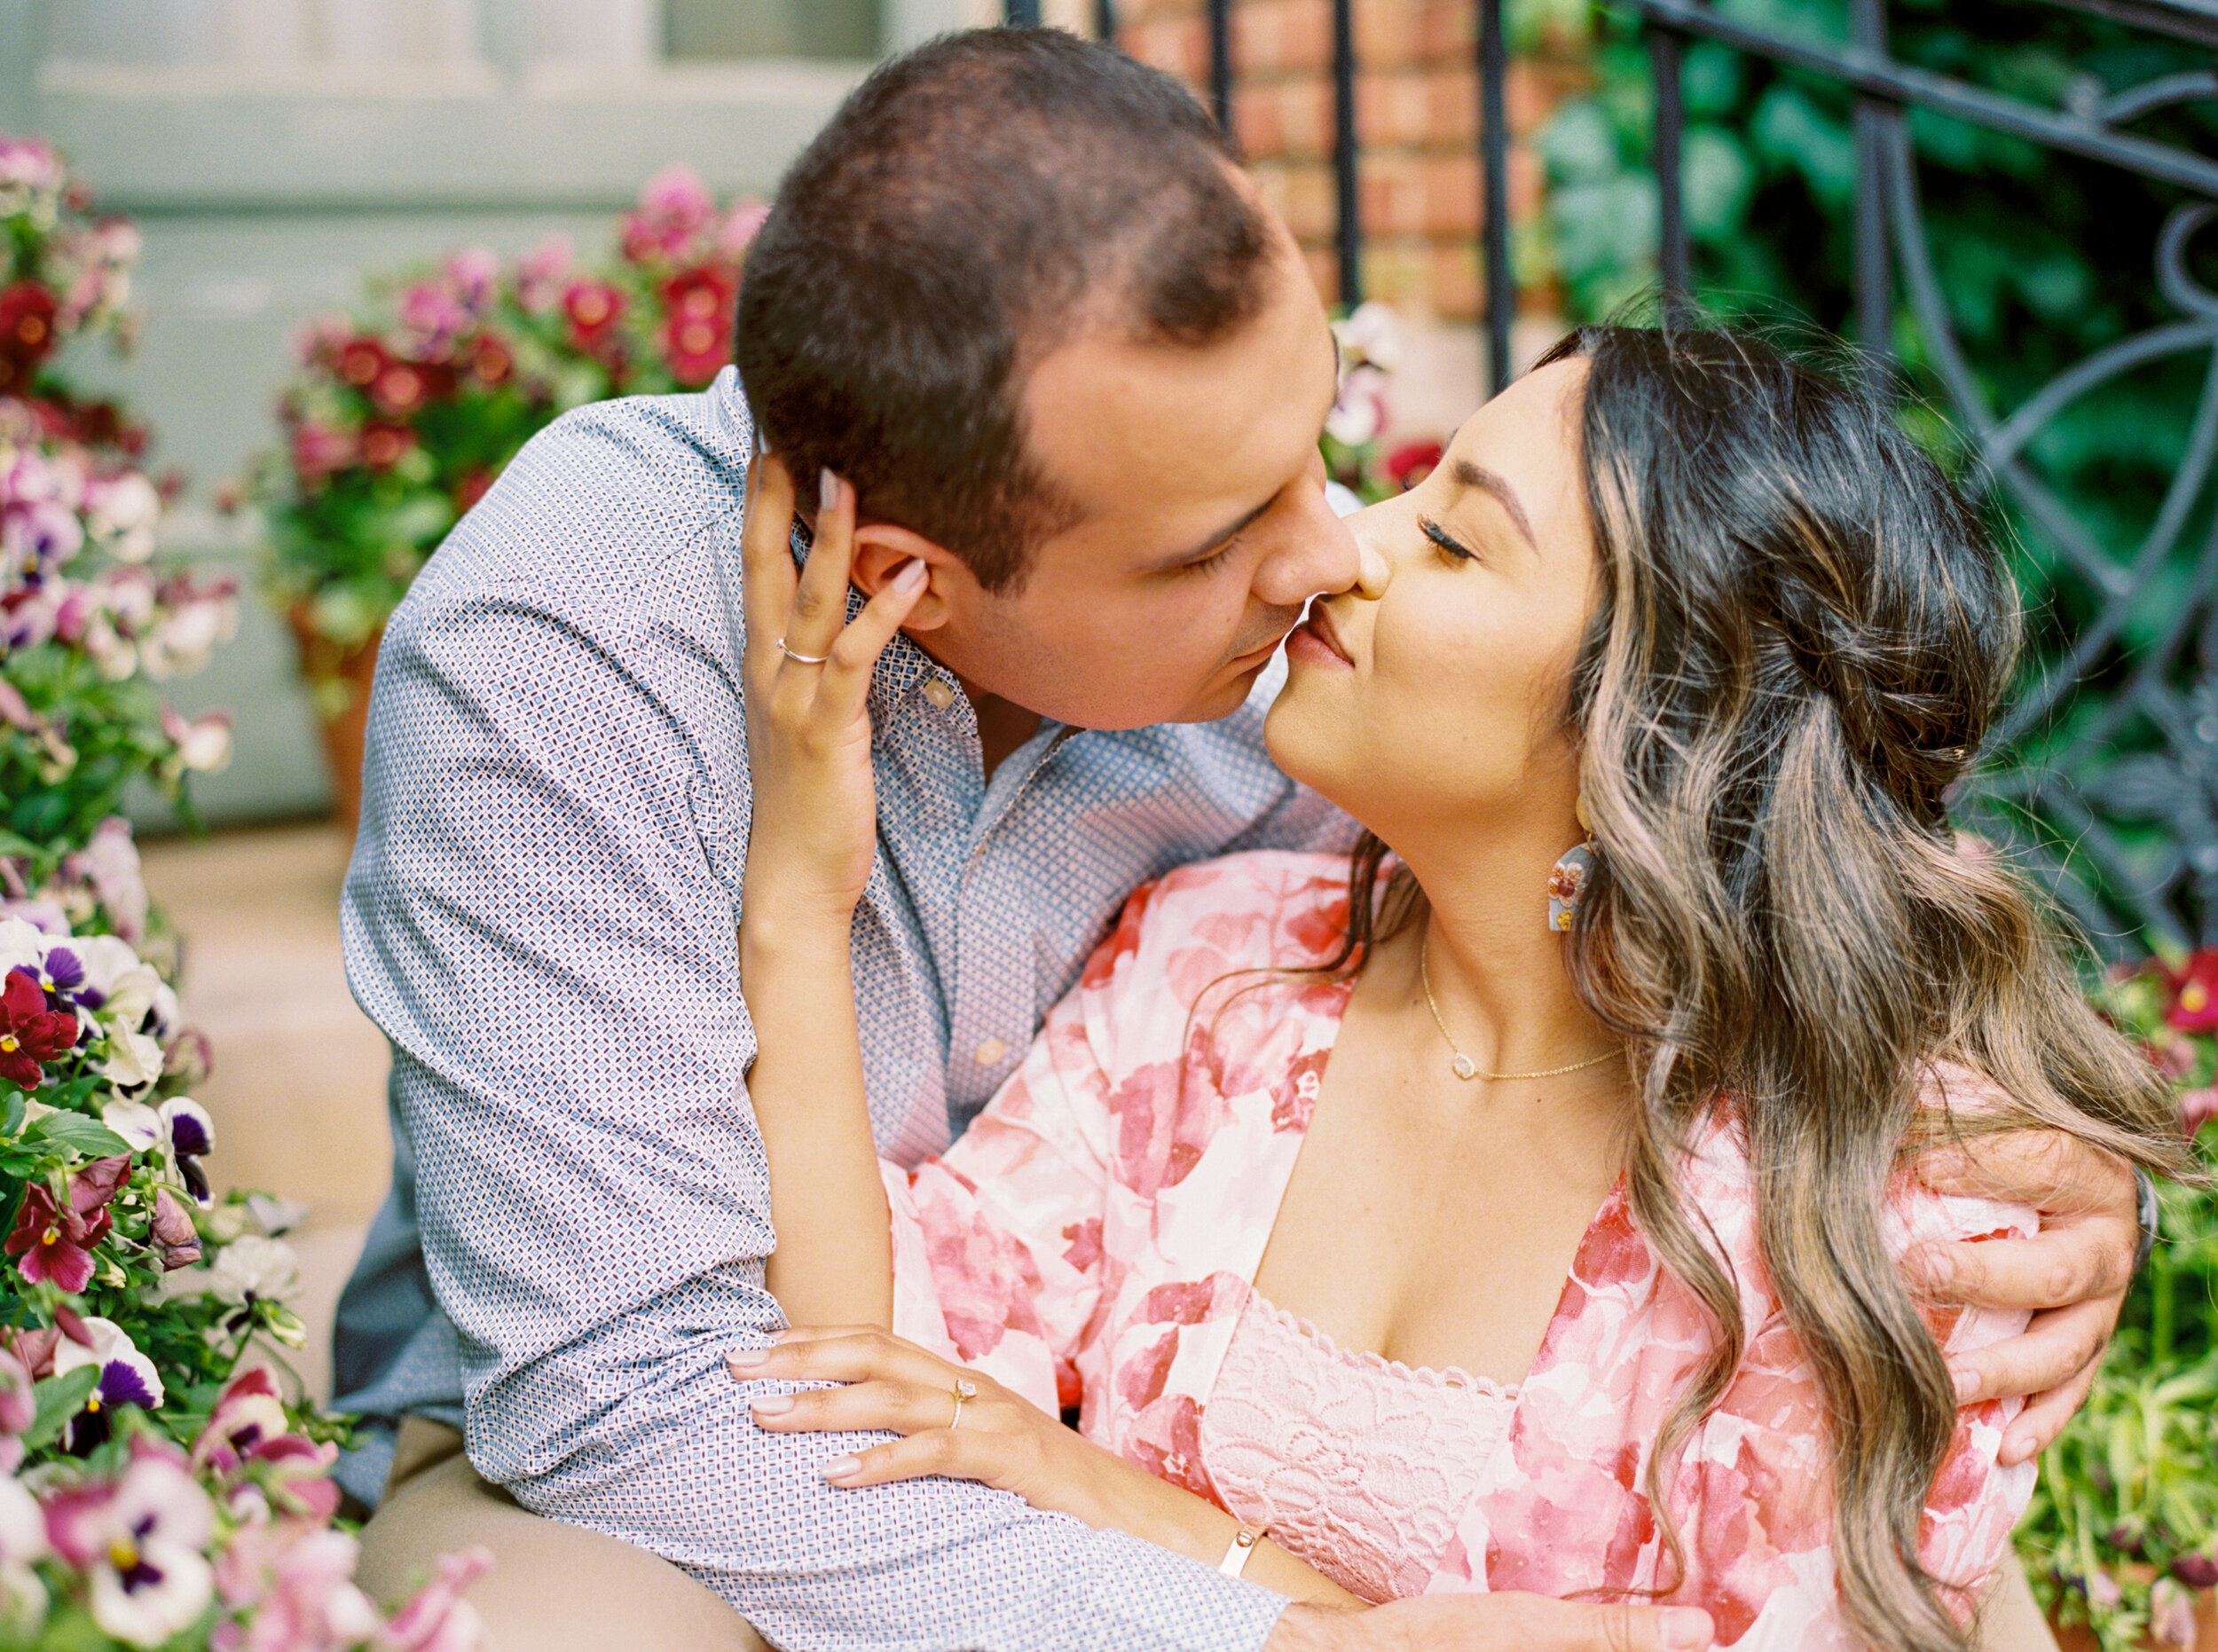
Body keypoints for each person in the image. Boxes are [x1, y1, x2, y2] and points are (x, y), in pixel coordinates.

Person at [335, 28, 2148, 1650]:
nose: (1333, 544)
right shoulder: (565, 651)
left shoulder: (1311, 675)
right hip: (666, 1453)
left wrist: (2032, 1166)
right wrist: (1268, 1632)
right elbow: (646, 1405)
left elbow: (1689, 815)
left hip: (1060, 1487)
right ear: (913, 583)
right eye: (1221, 535)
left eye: (1335, 442)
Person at [728, 322, 2195, 1649]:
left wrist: (1106, 1495)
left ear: (1657, 712)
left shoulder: (1882, 1196)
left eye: (1456, 542)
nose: (1350, 546)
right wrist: (800, 900)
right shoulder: (1209, 974)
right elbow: (871, 1397)